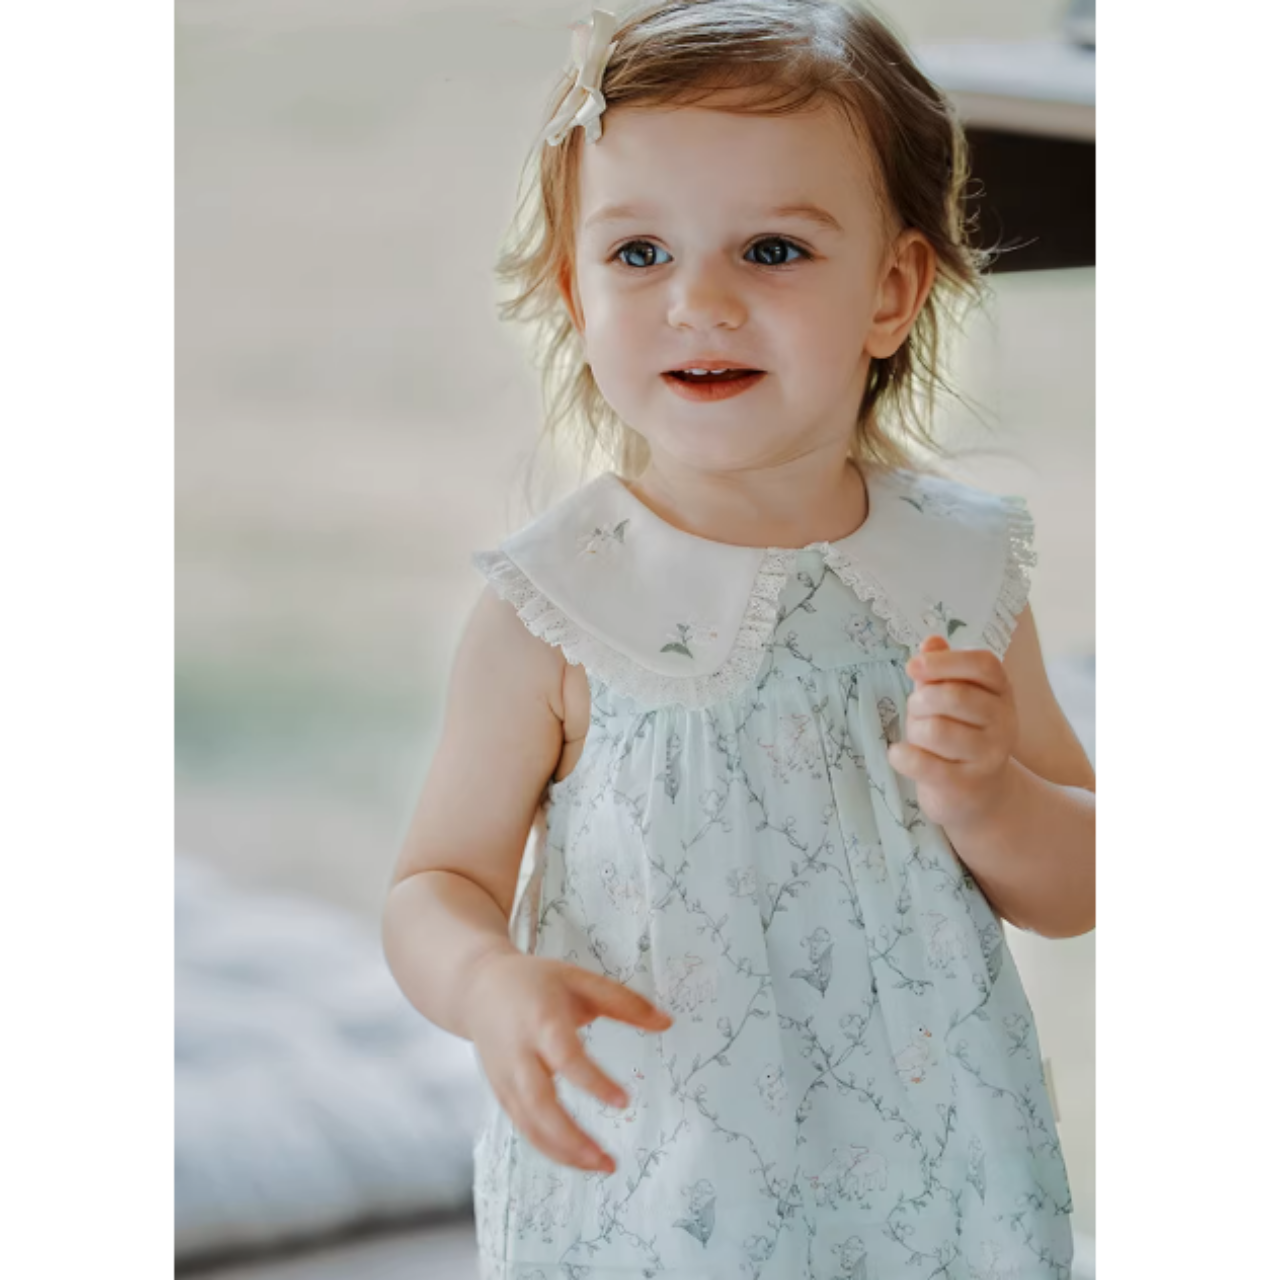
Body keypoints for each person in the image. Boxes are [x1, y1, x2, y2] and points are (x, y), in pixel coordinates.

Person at [382, 2, 1096, 1276]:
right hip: (663, 1186)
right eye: (639, 252)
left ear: (890, 292)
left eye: (771, 249)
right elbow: (434, 882)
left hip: (934, 1180)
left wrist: (990, 795)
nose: (699, 300)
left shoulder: (956, 571)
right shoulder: (558, 605)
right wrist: (487, 982)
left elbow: (1083, 880)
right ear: (574, 291)